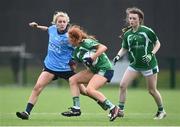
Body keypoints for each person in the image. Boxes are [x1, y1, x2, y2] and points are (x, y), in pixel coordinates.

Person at [16, 11, 76, 120]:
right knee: (37, 87)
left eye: (64, 22)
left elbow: (77, 50)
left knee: (85, 91)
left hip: (66, 68)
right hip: (51, 68)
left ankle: (108, 106)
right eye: (59, 21)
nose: (62, 23)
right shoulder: (52, 29)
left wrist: (73, 60)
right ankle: (26, 112)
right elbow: (47, 29)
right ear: (55, 23)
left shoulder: (70, 36)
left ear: (67, 23)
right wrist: (37, 26)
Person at [113, 7, 166, 120]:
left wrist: (151, 54)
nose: (131, 20)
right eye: (130, 18)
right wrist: (118, 56)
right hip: (134, 65)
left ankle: (161, 111)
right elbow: (124, 48)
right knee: (122, 85)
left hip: (149, 65)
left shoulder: (147, 31)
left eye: (134, 18)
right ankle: (121, 111)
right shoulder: (127, 34)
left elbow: (158, 43)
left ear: (140, 19)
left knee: (152, 90)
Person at [61, 25, 121, 121]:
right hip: (94, 70)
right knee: (73, 79)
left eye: (69, 38)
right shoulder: (76, 51)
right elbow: (74, 64)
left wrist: (93, 57)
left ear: (74, 39)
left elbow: (103, 47)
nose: (68, 40)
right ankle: (76, 108)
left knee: (90, 89)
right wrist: (71, 64)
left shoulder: (86, 42)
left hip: (105, 69)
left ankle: (113, 108)